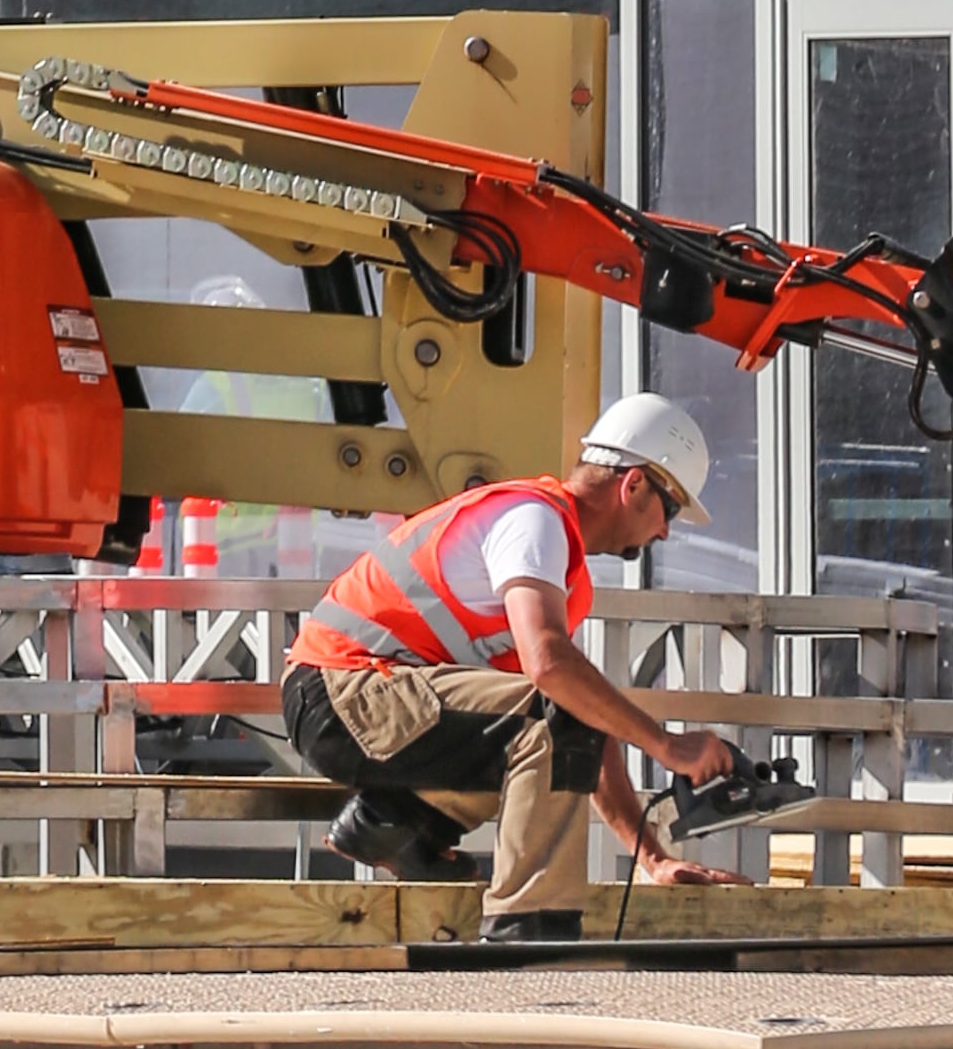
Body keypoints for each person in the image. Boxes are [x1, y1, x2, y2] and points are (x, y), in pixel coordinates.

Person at [280, 391, 735, 944]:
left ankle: (396, 823)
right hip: (340, 694)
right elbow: (551, 674)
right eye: (672, 509)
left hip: (369, 700)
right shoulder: (534, 522)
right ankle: (529, 925)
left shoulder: (555, 559)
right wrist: (667, 746)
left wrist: (652, 858)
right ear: (634, 484)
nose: (665, 532)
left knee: (566, 713)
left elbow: (578, 716)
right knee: (559, 713)